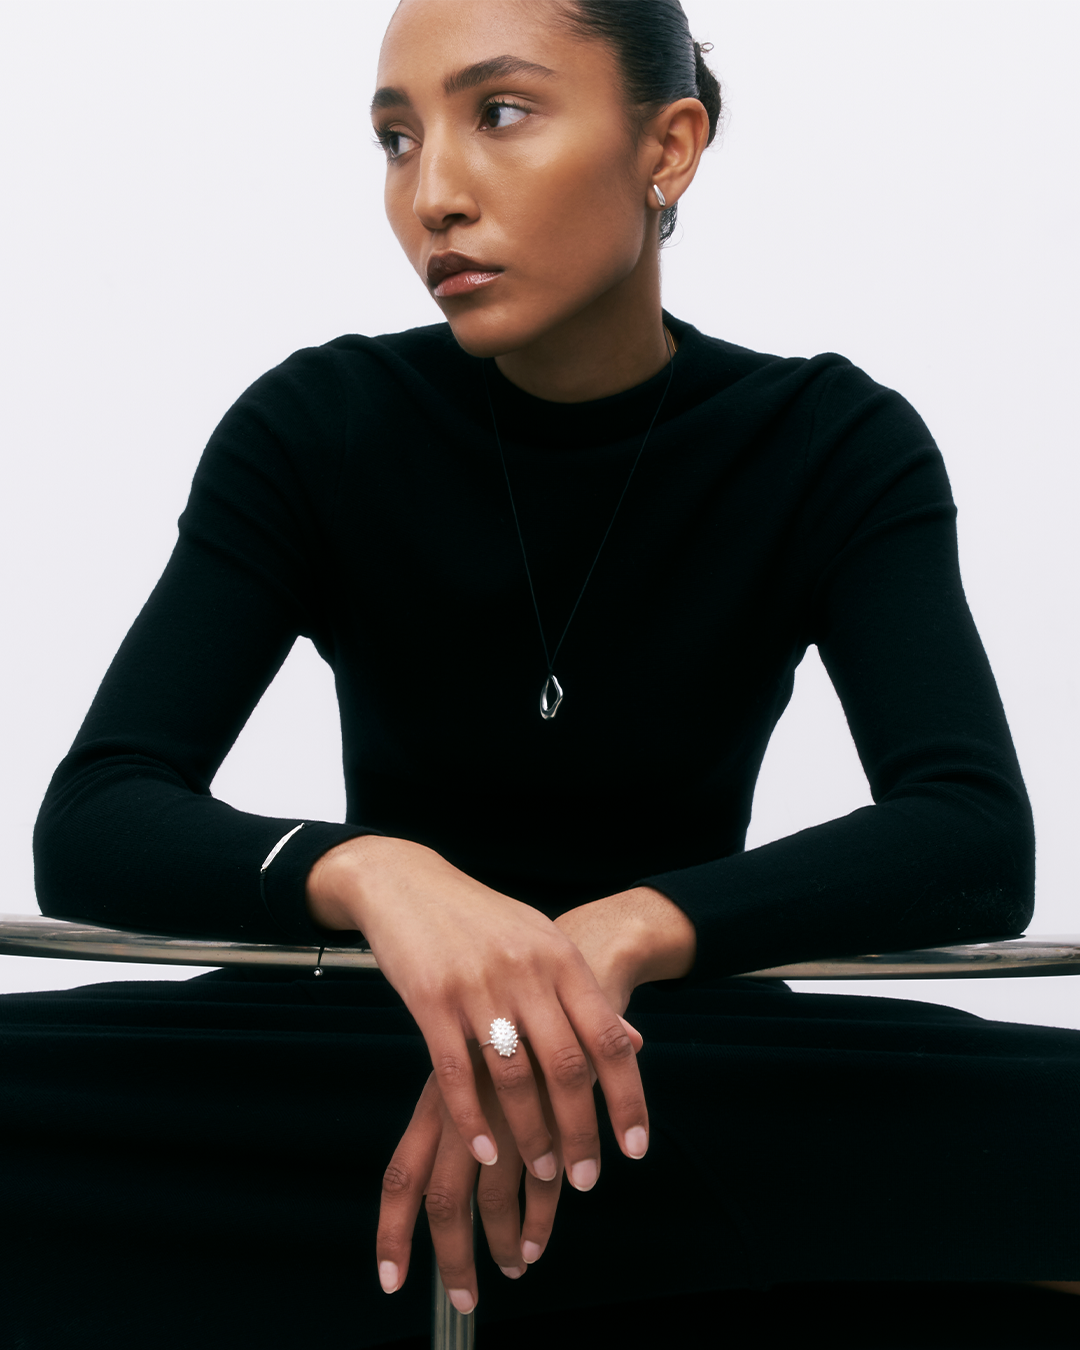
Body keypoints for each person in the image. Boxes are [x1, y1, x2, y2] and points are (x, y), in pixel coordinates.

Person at [10, 1, 1078, 1346]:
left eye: (499, 113)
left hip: (682, 1047)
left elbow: (969, 832)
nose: (433, 195)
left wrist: (617, 935)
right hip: (358, 1040)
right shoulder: (318, 424)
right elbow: (97, 815)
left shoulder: (826, 440)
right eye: (397, 139)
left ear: (667, 147)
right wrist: (378, 874)